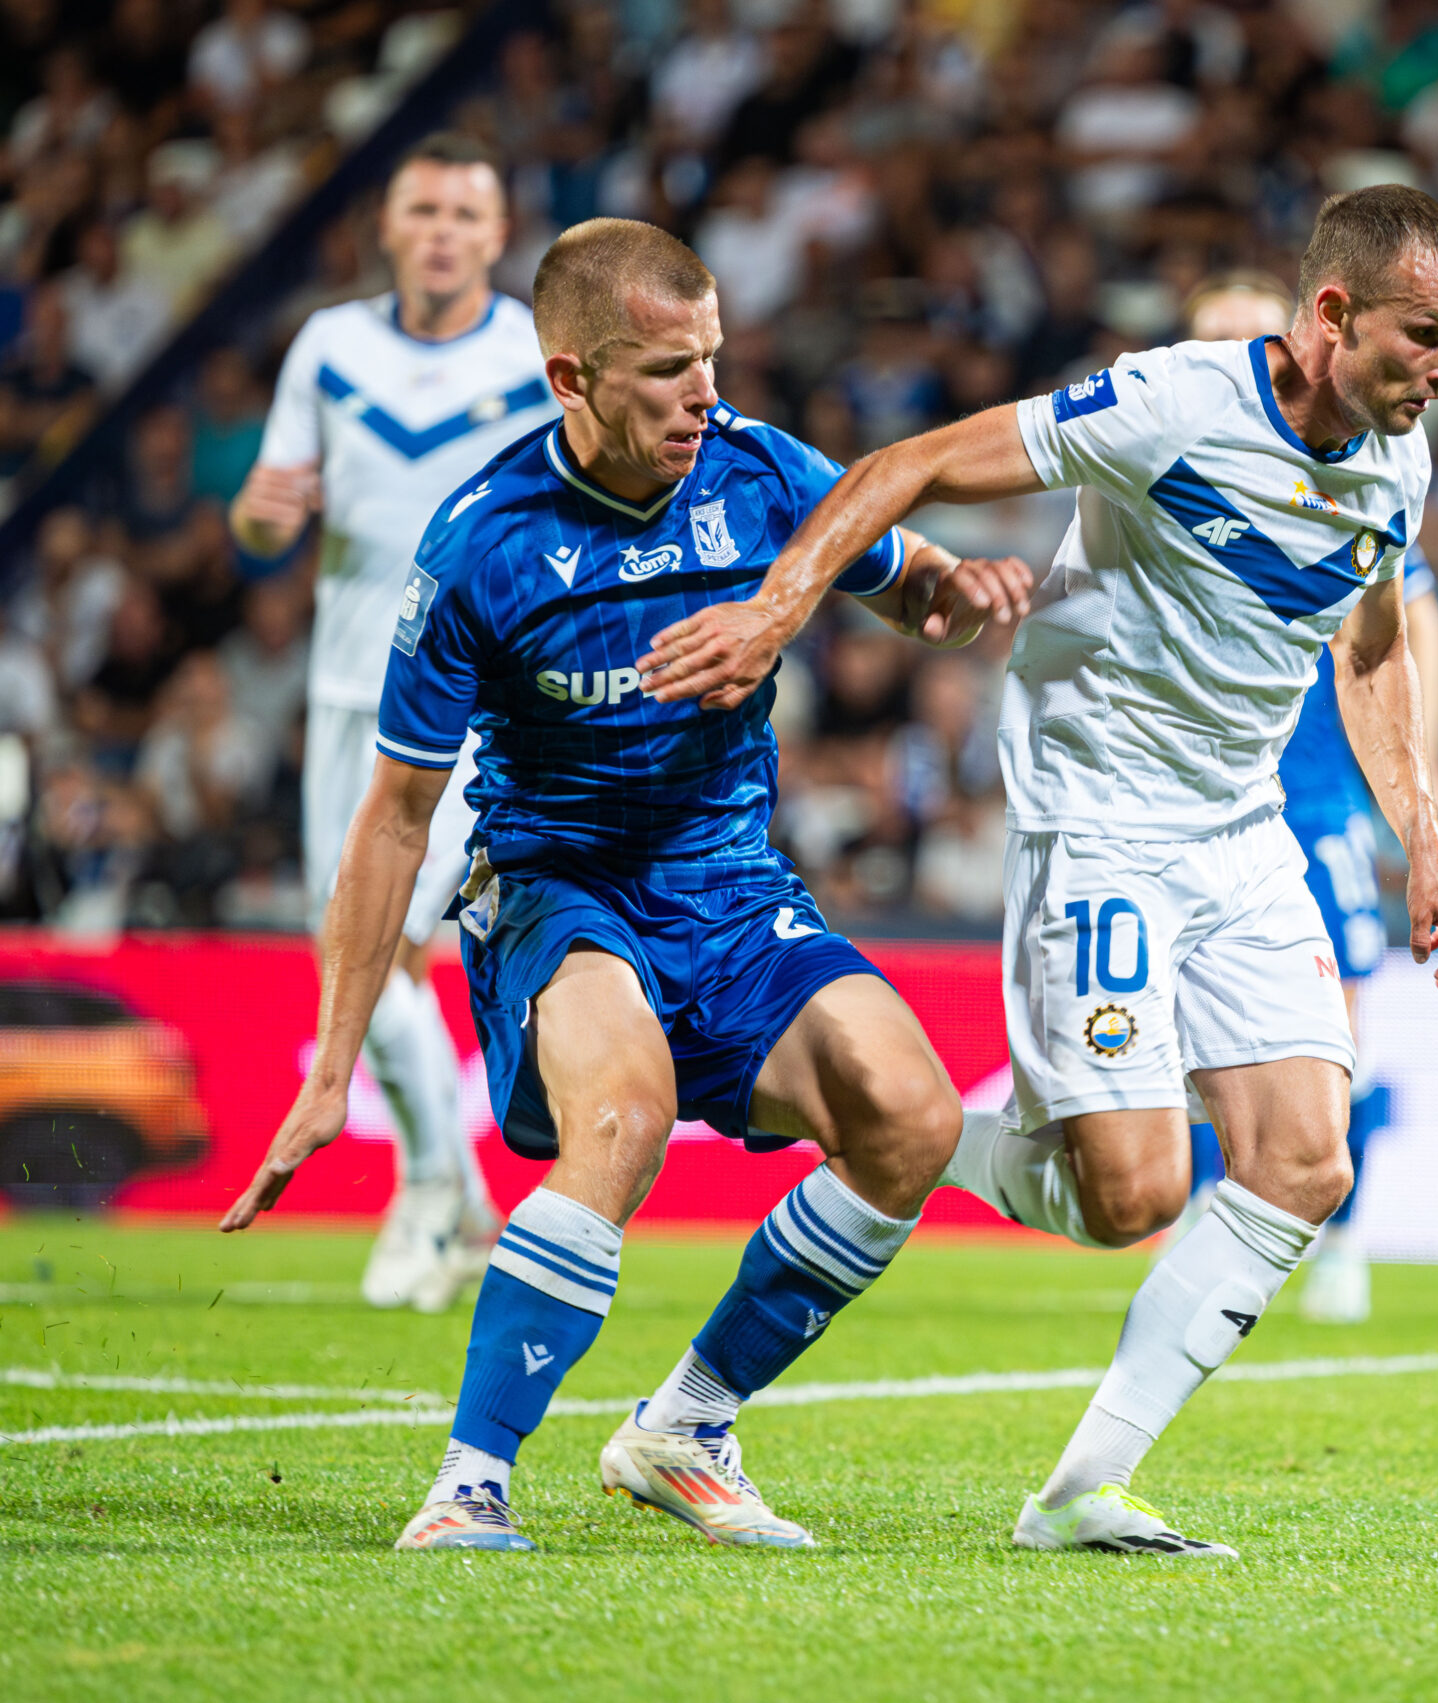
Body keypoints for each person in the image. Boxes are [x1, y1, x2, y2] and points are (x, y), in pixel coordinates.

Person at [640, 184, 1438, 1557]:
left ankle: (1083, 1484)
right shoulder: (1171, 403)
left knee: (1306, 1158)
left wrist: (1424, 844)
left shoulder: (1401, 459)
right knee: (1131, 1197)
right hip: (1099, 823)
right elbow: (903, 466)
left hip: (1241, 830)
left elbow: (1373, 644)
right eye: (1426, 336)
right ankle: (902, 1131)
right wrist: (770, 611)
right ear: (1331, 313)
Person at [217, 217, 1035, 1554]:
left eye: (712, 357)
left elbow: (906, 584)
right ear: (570, 380)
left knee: (911, 1116)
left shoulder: (767, 472)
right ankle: (469, 1483)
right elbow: (392, 823)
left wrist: (957, 588)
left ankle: (686, 1422)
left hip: (728, 880)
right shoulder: (482, 541)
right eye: (665, 370)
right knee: (626, 1108)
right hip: (557, 881)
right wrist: (332, 1060)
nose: (704, 394)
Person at [229, 133, 556, 1313]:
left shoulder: (534, 352)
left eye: (465, 214)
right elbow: (269, 522)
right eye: (422, 210)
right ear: (388, 225)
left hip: (477, 692)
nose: (441, 232)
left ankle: (436, 1191)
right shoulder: (330, 345)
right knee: (348, 957)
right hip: (344, 688)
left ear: (496, 230)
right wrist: (262, 517)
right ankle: (452, 1196)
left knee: (390, 949)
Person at [1174, 270, 1438, 1325]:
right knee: (1195, 1050)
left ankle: (1338, 1236)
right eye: (1213, 340)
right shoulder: (1166, 466)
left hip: (1311, 797)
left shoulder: (1352, 479)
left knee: (1332, 1036)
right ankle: (1223, 1225)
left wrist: (1423, 764)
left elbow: (1402, 616)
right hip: (1186, 803)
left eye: (1249, 337)